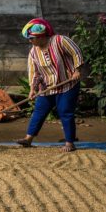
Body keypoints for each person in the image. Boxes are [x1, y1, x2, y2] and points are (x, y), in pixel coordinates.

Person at [15, 18, 87, 152]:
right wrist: (32, 89)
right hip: (47, 87)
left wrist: (77, 70)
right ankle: (28, 139)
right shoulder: (33, 52)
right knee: (39, 111)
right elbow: (33, 72)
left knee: (65, 111)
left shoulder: (60, 41)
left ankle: (69, 143)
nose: (30, 41)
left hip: (67, 84)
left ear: (41, 36)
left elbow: (75, 52)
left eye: (32, 38)